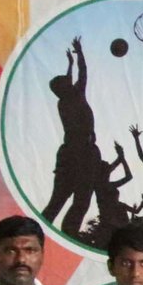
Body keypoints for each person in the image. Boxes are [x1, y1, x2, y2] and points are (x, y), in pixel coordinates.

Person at [41, 36, 100, 236]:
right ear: (63, 87)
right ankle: (68, 233)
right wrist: (79, 53)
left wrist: (70, 63)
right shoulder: (74, 95)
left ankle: (53, 233)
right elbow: (83, 72)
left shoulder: (64, 100)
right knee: (80, 201)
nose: (69, 80)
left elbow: (71, 77)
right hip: (82, 152)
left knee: (59, 200)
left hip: (71, 152)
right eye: (66, 81)